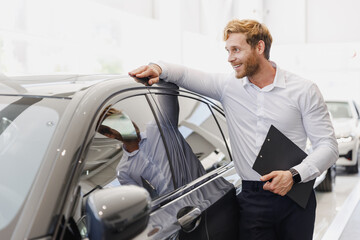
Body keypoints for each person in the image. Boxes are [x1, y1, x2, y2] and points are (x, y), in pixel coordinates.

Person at [128, 19, 338, 239]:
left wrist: (294, 175)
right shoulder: (228, 87)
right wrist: (158, 68)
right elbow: (182, 75)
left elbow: (328, 146)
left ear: (259, 47)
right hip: (252, 199)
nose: (230, 58)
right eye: (228, 51)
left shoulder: (303, 90)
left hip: (296, 197)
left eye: (236, 50)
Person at [98, 82, 206, 198]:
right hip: (180, 212)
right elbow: (146, 203)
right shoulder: (124, 171)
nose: (129, 124)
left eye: (125, 118)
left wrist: (159, 77)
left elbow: (168, 90)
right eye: (119, 125)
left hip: (209, 196)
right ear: (110, 134)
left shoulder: (160, 129)